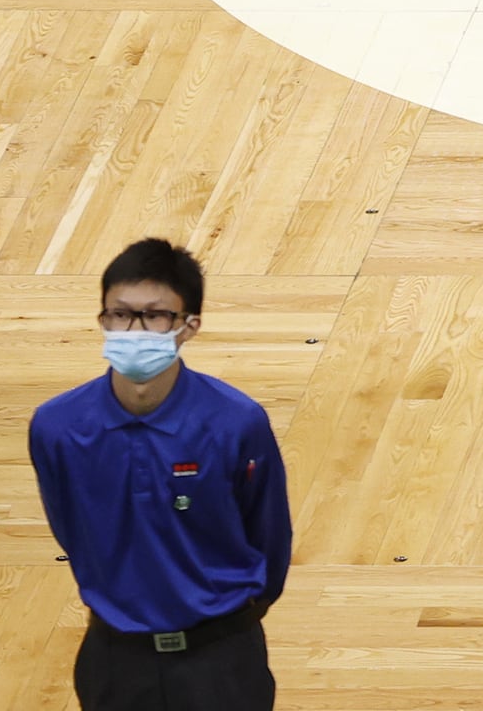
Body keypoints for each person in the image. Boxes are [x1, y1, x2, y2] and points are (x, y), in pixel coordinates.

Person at [29, 238, 292, 710]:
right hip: (115, 658)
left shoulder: (236, 423)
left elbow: (269, 533)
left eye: (154, 316)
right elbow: (69, 528)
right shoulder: (57, 427)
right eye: (120, 314)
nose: (134, 329)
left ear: (189, 326)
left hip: (222, 659)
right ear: (103, 319)